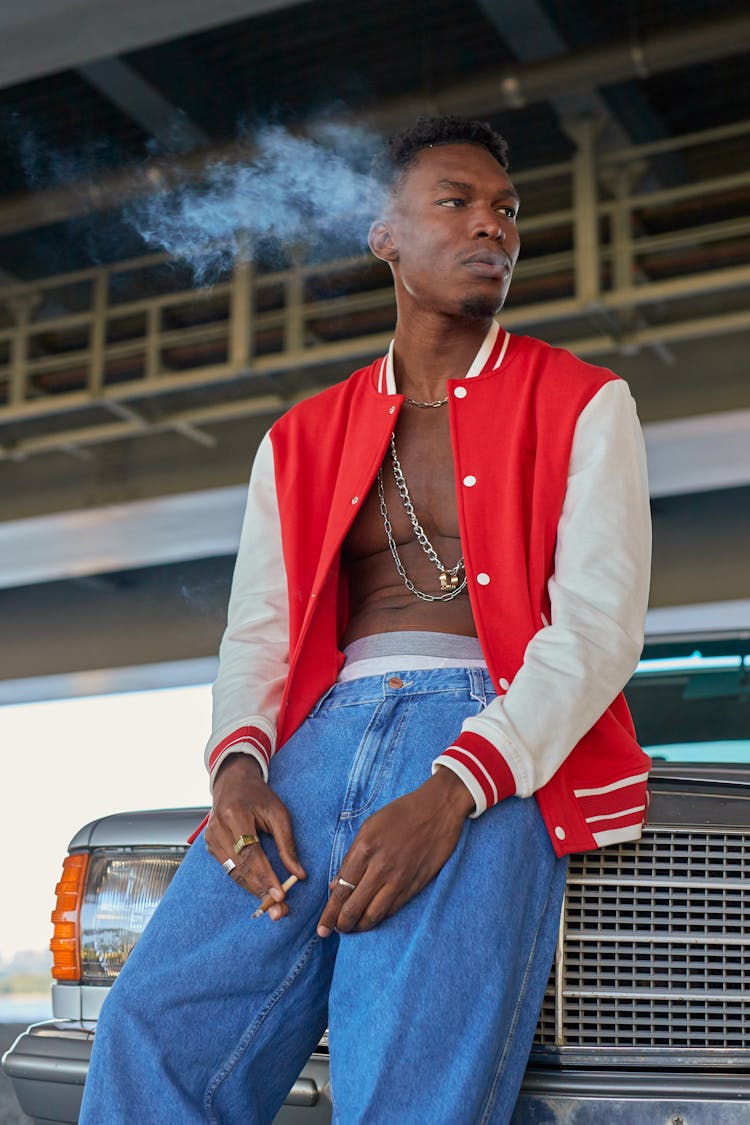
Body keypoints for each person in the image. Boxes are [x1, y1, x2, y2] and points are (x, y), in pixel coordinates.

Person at [80, 115, 651, 1124]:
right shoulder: (299, 437)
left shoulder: (584, 401)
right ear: (383, 234)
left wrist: (454, 791)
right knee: (153, 1032)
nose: (494, 228)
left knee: (408, 1082)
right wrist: (237, 769)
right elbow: (258, 628)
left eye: (507, 211)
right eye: (458, 203)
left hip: (483, 745)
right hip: (313, 747)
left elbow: (599, 625)